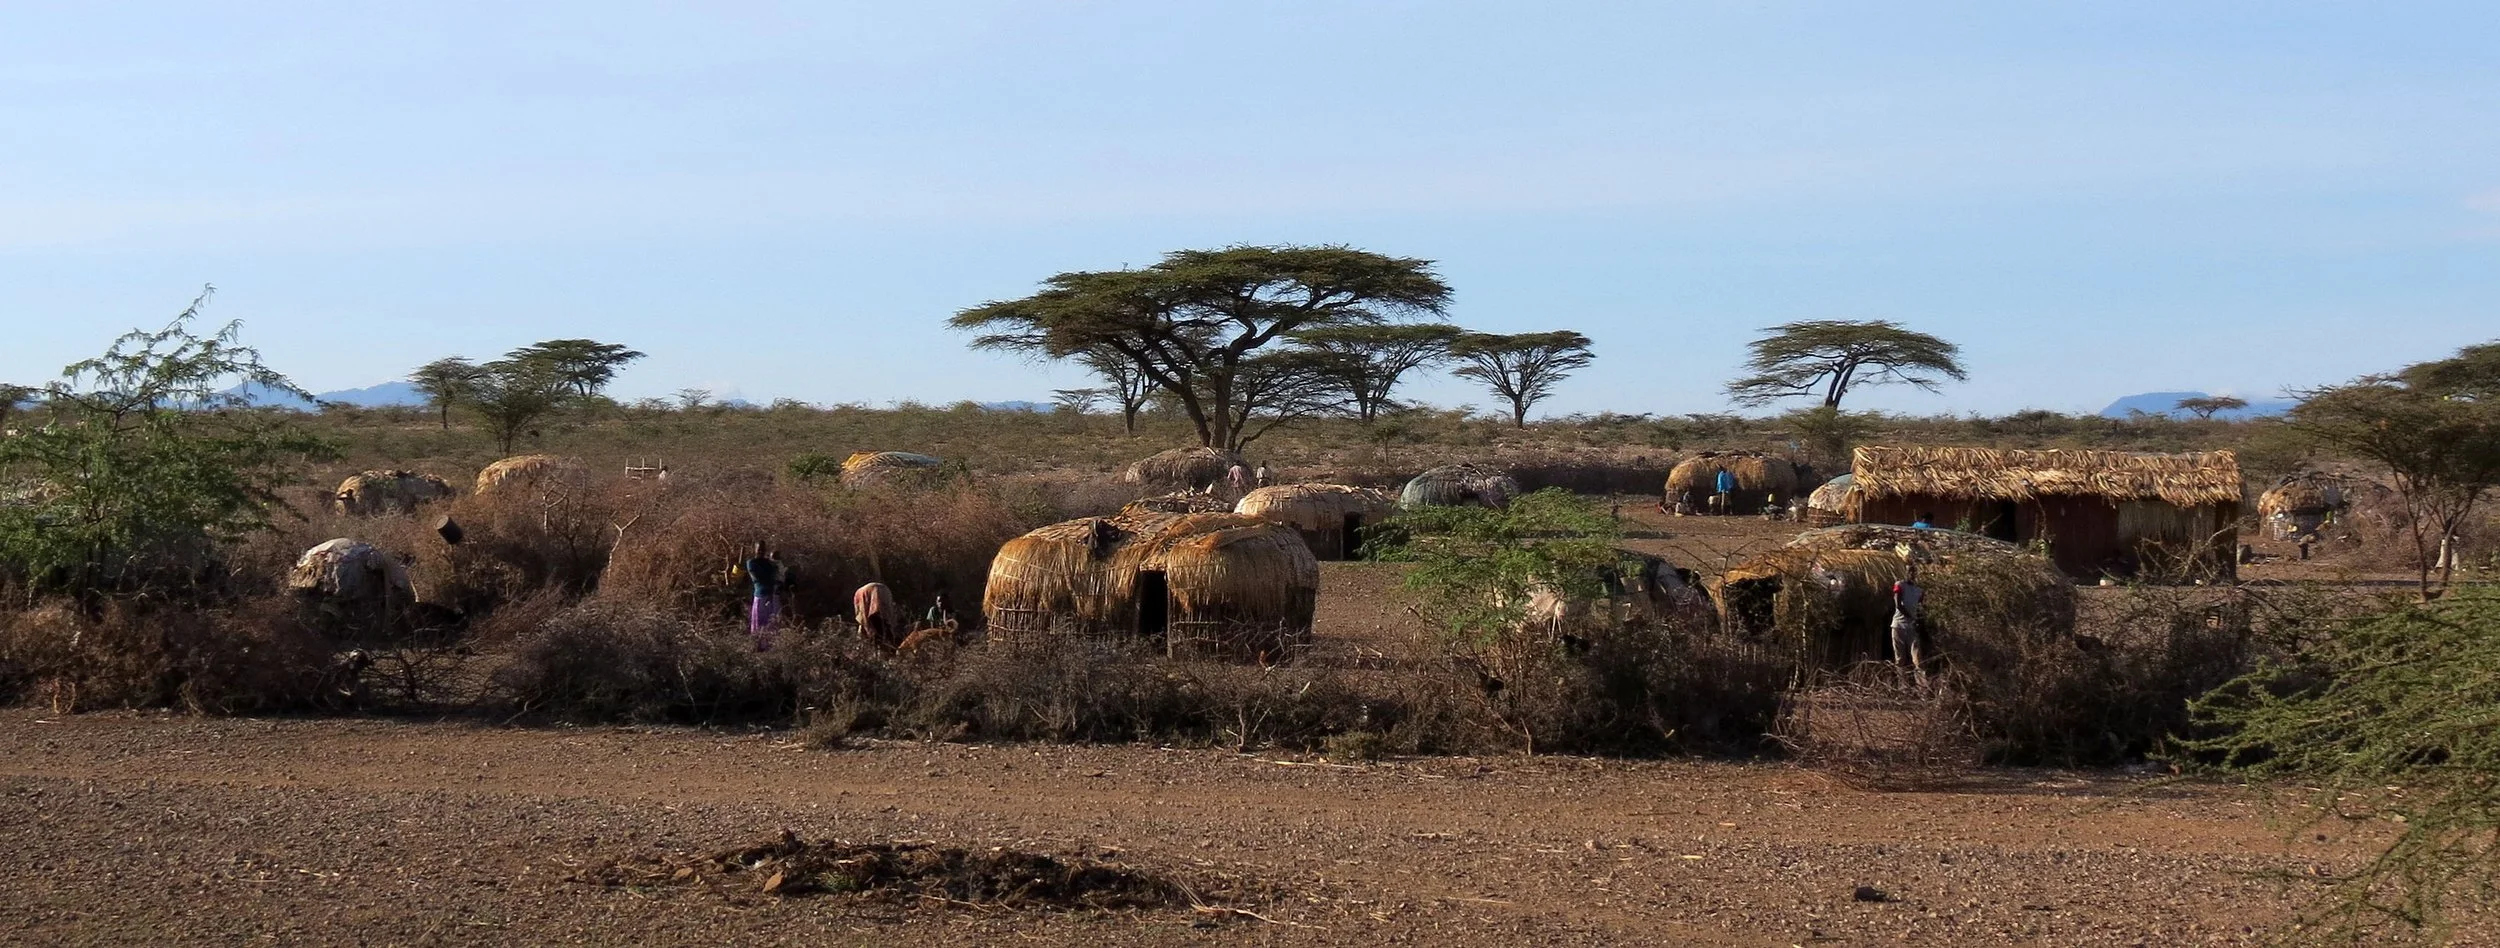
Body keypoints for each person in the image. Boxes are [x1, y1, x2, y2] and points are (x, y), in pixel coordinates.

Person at [744, 542, 786, 651]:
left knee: (772, 621)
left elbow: (778, 573)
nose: (761, 552)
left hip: (772, 595)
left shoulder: (769, 563)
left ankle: (770, 645)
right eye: (759, 549)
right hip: (761, 596)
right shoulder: (751, 563)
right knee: (760, 621)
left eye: (763, 550)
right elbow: (759, 578)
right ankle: (758, 645)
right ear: (754, 550)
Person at [1890, 567, 1928, 684]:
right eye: (1909, 572)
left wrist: (1919, 619)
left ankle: (1922, 687)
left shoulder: (1919, 590)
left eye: (1913, 572)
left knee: (1917, 658)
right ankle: (1903, 686)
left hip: (1912, 627)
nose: (1911, 574)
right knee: (1900, 659)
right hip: (1899, 625)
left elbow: (1920, 607)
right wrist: (1911, 617)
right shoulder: (1900, 585)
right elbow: (1898, 605)